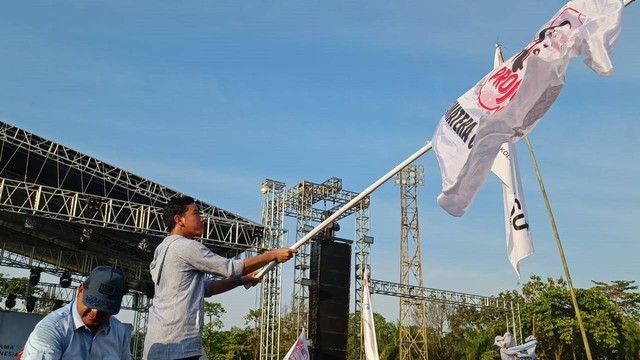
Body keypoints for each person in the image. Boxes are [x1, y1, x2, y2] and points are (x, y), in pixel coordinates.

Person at [143, 196, 296, 360]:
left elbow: (208, 288)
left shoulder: (162, 249)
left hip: (160, 342)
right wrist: (272, 255)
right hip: (177, 344)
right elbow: (230, 268)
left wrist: (241, 280)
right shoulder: (185, 246)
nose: (202, 219)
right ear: (179, 219)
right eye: (196, 214)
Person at [21, 266, 132, 360]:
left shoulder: (119, 332)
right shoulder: (52, 329)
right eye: (91, 303)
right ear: (80, 290)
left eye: (105, 308)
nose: (95, 312)